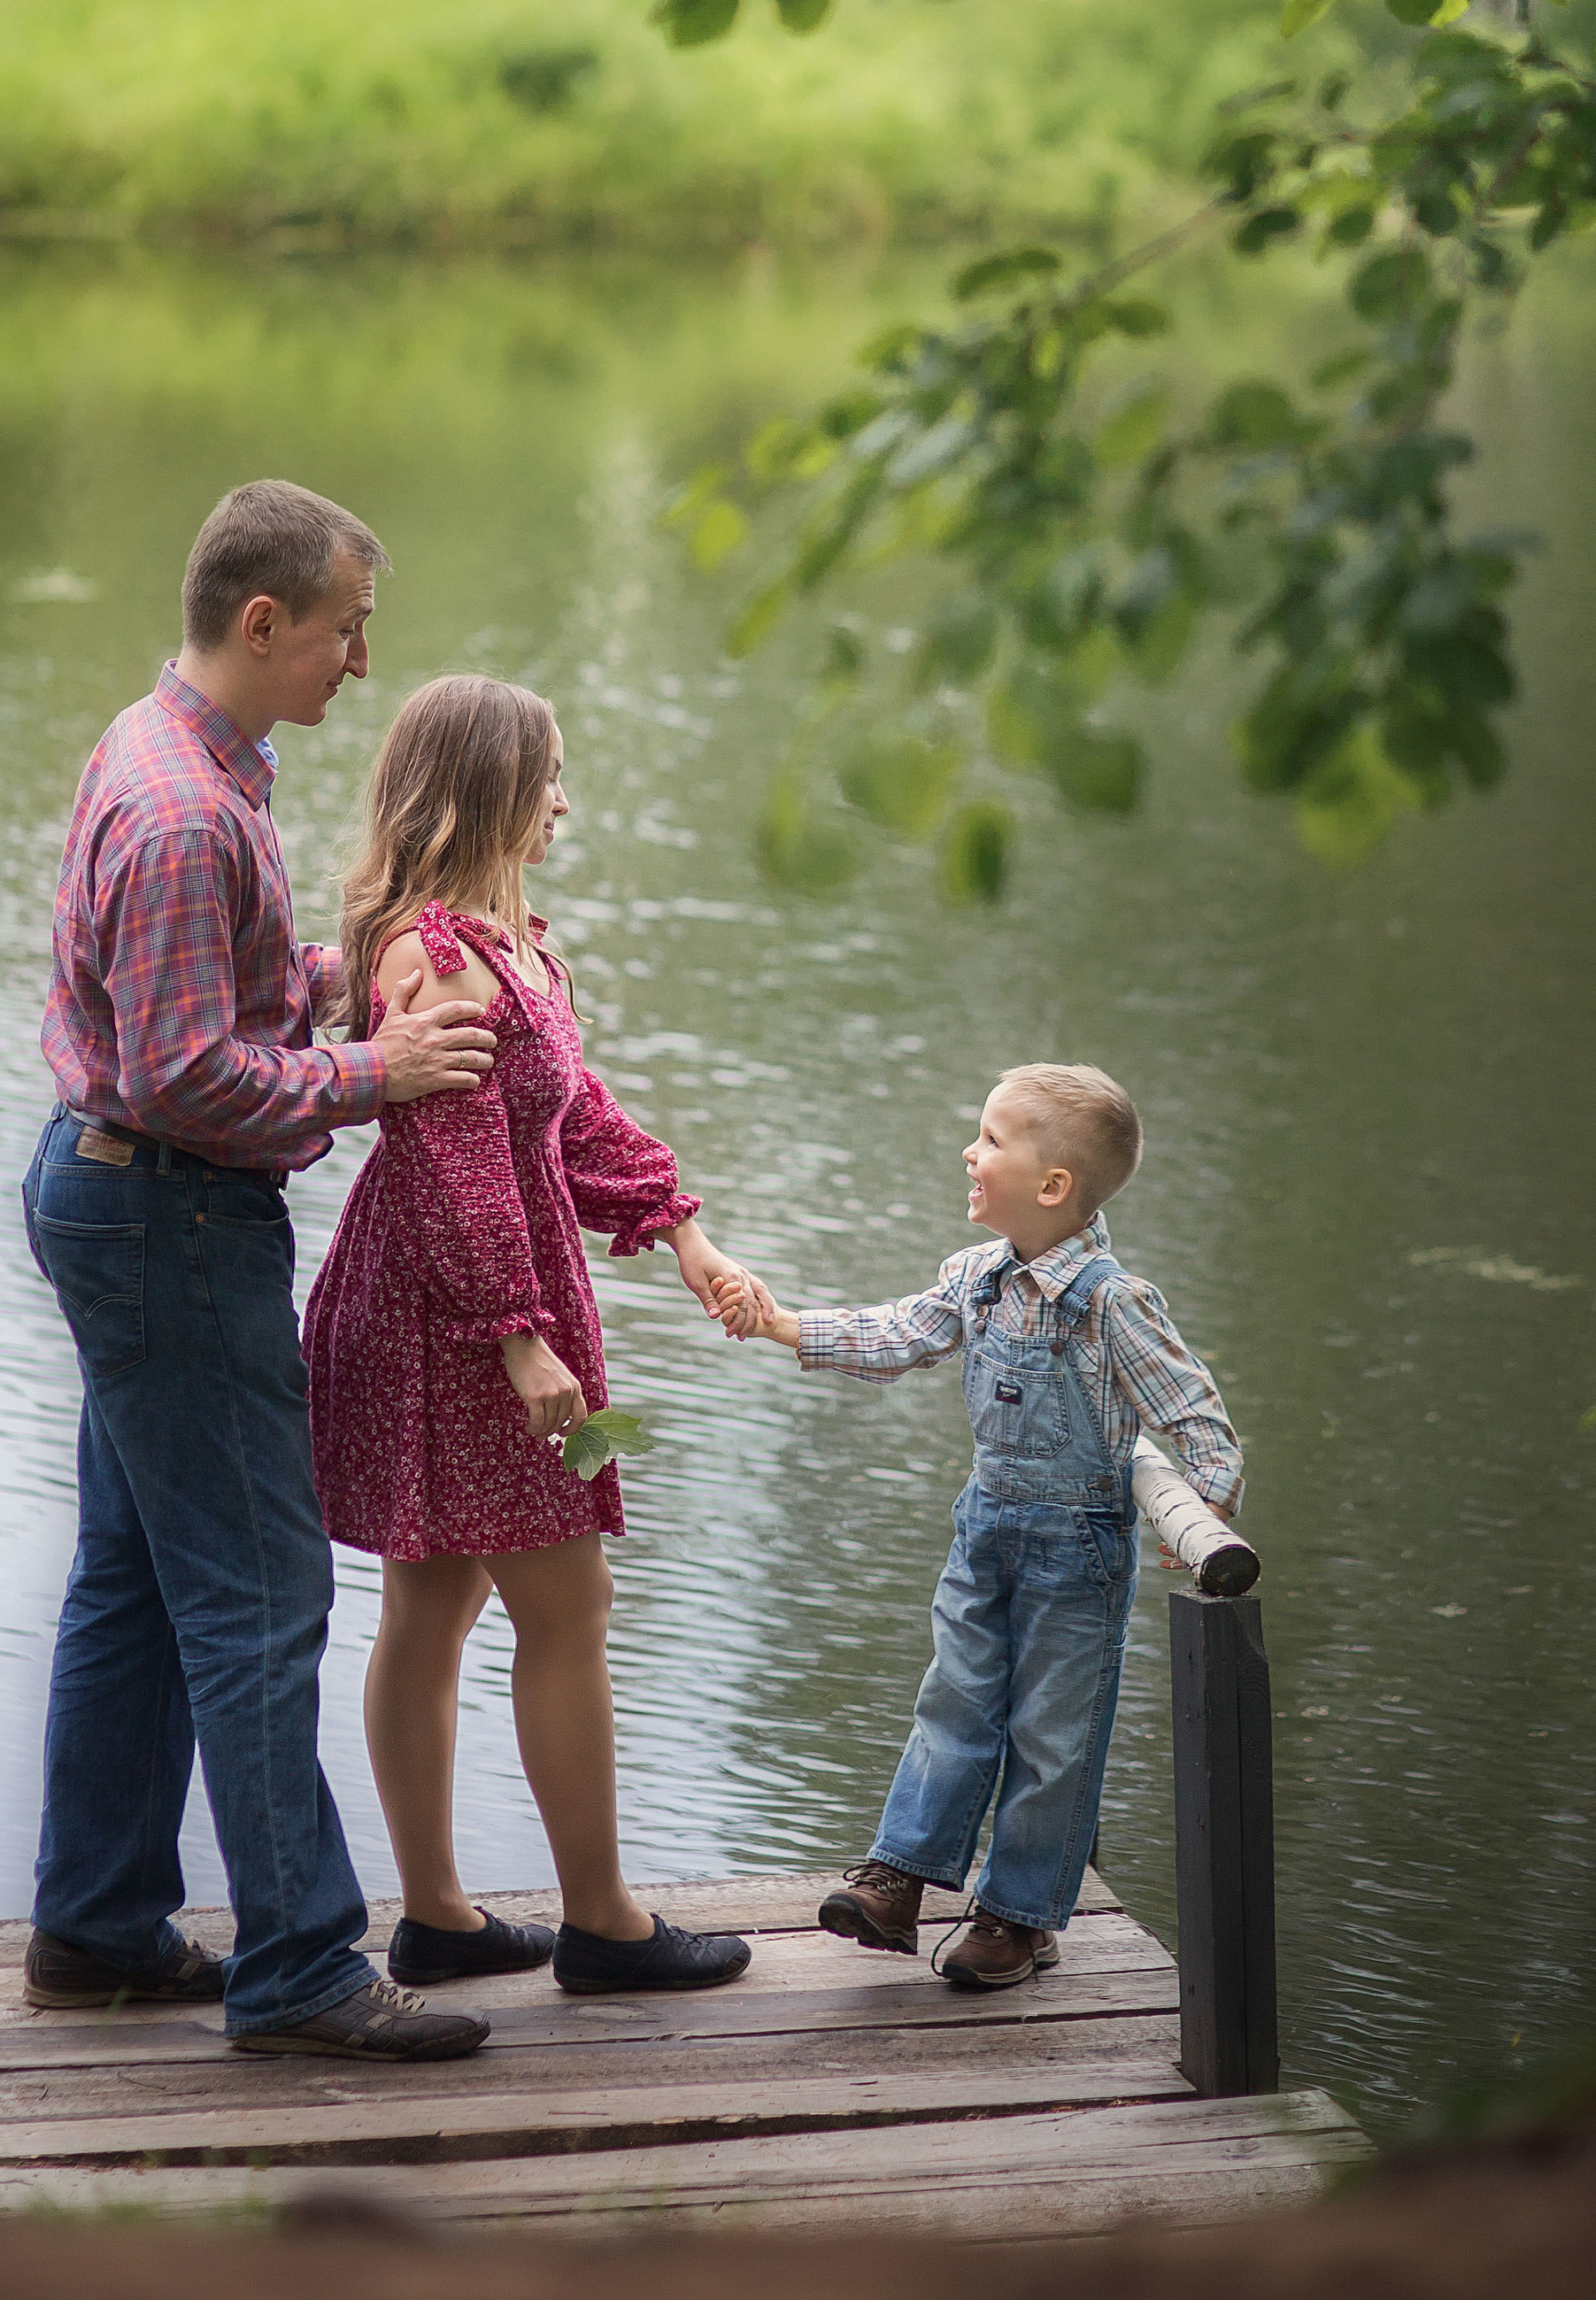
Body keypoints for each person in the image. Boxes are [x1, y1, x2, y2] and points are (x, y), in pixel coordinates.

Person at [20, 480, 505, 2064]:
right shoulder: (181, 810)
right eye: (350, 627)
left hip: (123, 1200)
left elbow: (218, 991)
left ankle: (95, 1924)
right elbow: (181, 1076)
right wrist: (379, 1068)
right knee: (261, 1595)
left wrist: (352, 974)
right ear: (263, 621)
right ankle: (299, 1965)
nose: (362, 661)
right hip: (166, 1210)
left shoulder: (184, 749)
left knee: (137, 1577)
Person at [304, 674, 765, 1997]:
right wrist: (519, 1336)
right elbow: (457, 1169)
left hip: (475, 1295)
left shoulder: (505, 949)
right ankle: (606, 1924)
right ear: (491, 786)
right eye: (549, 775)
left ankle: (441, 1918)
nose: (563, 800)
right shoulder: (436, 958)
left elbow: (569, 1119)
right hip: (459, 1311)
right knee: (567, 1603)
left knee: (433, 1598)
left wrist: (682, 1227)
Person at [717, 1062, 1244, 1990]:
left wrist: (1203, 1502)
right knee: (954, 1698)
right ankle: (901, 1878)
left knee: (1052, 1735)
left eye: (991, 1139)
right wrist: (780, 1324)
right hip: (984, 1528)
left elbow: (1194, 1412)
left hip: (1077, 1547)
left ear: (1053, 1187)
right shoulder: (978, 1279)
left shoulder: (1112, 1302)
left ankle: (1017, 1913)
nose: (970, 1149)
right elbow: (894, 1334)